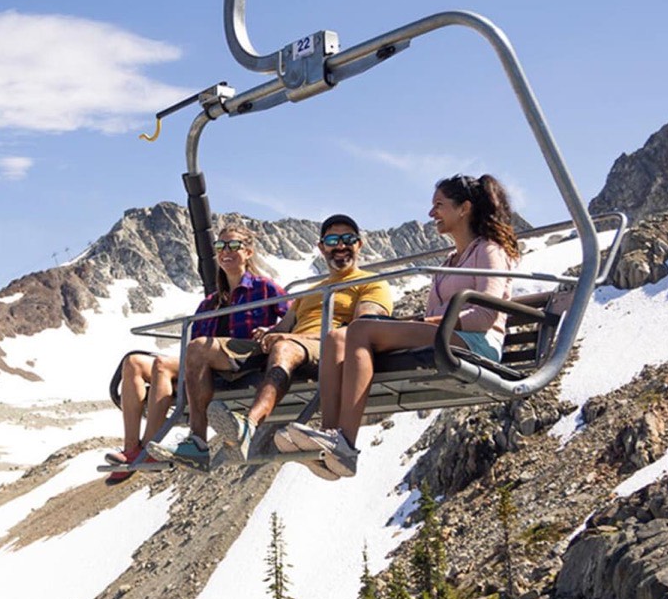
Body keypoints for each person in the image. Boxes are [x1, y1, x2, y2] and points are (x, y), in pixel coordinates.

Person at [277, 174, 520, 479]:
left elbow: (485, 315)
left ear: (464, 208)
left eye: (439, 205)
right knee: (337, 338)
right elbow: (437, 312)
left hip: (475, 342)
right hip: (446, 335)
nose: (432, 213)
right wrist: (419, 323)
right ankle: (329, 437)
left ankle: (345, 445)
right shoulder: (450, 261)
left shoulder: (488, 250)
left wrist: (425, 323)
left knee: (361, 328)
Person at [151, 214, 392, 469]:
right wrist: (268, 333)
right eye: (333, 240)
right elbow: (284, 326)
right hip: (293, 343)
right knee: (199, 348)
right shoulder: (309, 291)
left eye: (348, 239)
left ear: (359, 244)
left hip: (327, 345)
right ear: (322, 247)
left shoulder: (370, 282)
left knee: (284, 347)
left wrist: (288, 337)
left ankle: (249, 425)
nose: (340, 246)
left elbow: (362, 330)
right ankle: (196, 442)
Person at [106, 223, 287, 481]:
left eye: (234, 245)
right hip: (208, 360)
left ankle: (149, 448)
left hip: (245, 355)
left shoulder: (264, 288)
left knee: (178, 357)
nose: (227, 251)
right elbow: (194, 350)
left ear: (248, 251)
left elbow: (292, 318)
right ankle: (132, 447)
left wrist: (270, 330)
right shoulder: (210, 302)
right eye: (221, 246)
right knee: (135, 363)